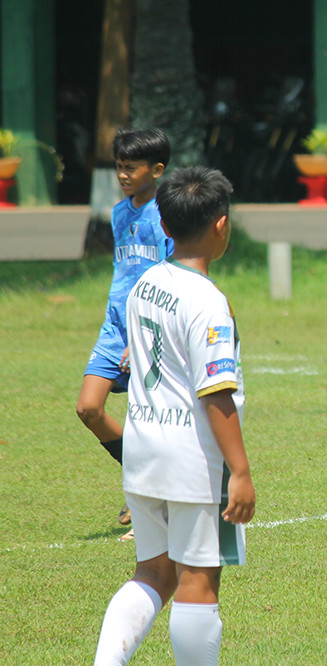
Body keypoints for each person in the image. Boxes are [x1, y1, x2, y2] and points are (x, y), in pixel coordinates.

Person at [94, 166, 255, 665]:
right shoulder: (207, 302)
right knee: (198, 579)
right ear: (221, 226)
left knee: (154, 573)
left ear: (164, 226)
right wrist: (242, 472)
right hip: (194, 459)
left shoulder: (145, 282)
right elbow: (216, 394)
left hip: (142, 450)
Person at [76, 128, 172, 533]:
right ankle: (138, 479)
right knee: (89, 408)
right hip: (114, 327)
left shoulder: (166, 216)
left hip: (147, 329)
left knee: (146, 421)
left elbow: (169, 275)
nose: (123, 174)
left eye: (130, 167)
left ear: (158, 169)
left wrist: (143, 338)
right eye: (119, 166)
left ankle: (150, 504)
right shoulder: (119, 213)